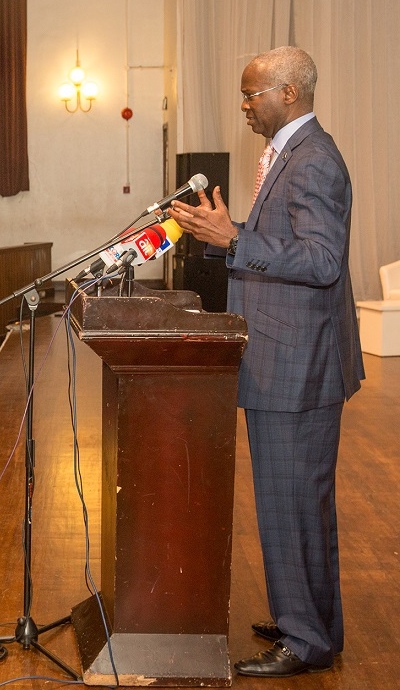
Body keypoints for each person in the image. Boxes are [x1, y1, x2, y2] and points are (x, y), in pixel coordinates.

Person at [169, 46, 363, 678]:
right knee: (295, 501)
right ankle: (309, 621)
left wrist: (236, 240)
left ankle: (306, 641)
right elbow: (292, 242)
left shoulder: (313, 161)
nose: (245, 105)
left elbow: (321, 261)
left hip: (297, 366)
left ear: (288, 92)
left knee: (293, 502)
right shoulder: (294, 155)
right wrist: (230, 233)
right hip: (286, 357)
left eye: (252, 94)